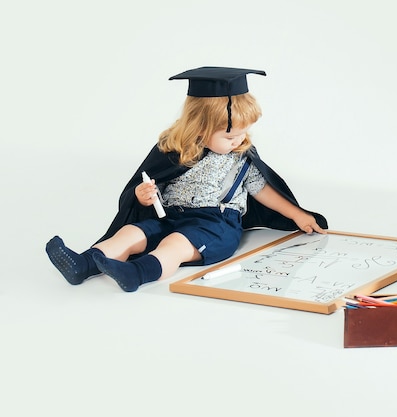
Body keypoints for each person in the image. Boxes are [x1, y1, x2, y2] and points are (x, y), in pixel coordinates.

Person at [46, 66, 328, 292]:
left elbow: (263, 190)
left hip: (215, 225)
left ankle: (136, 274)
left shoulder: (241, 157)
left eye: (243, 133)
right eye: (229, 136)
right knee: (131, 233)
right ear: (200, 128)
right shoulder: (175, 151)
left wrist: (297, 214)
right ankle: (83, 264)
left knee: (176, 245)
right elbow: (154, 183)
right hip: (169, 216)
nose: (239, 140)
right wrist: (144, 195)